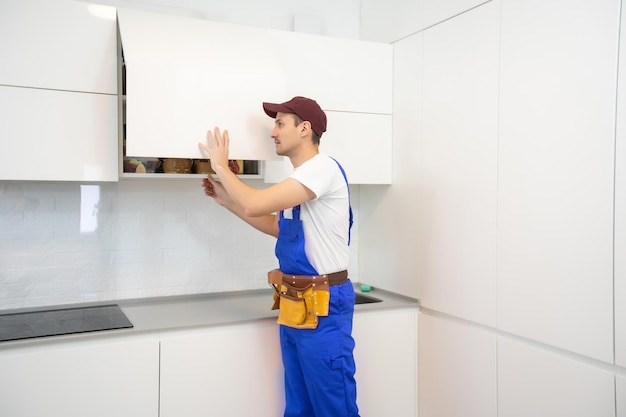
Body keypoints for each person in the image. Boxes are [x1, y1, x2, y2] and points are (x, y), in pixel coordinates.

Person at [199, 96, 359, 417]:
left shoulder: (322, 169)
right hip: (295, 303)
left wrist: (220, 165)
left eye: (280, 123)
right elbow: (277, 225)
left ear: (304, 128)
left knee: (333, 406)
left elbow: (256, 204)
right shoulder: (298, 181)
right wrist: (226, 201)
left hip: (325, 303)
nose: (273, 132)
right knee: (299, 405)